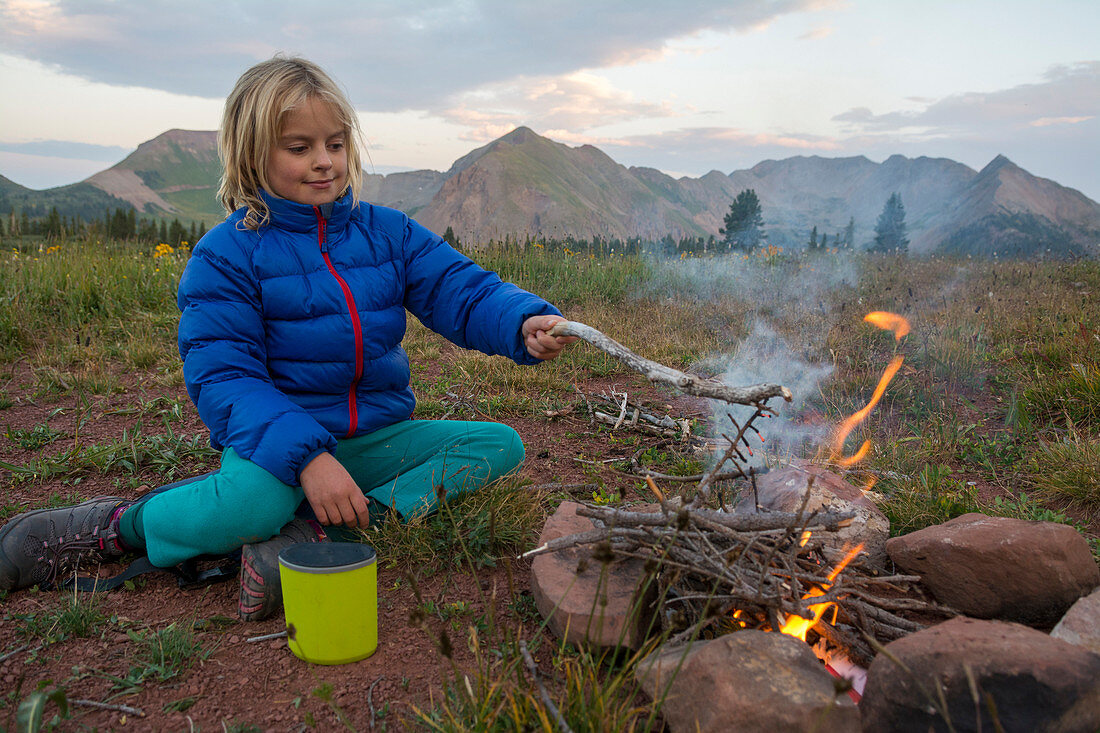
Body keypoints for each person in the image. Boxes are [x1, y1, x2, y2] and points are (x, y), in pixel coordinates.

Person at [0, 56, 573, 619]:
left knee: (498, 444)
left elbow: (461, 289)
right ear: (254, 154)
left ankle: (320, 530)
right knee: (248, 506)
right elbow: (225, 378)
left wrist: (520, 322)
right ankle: (112, 527)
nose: (325, 162)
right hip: (279, 450)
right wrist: (308, 458)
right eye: (299, 148)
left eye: (337, 144)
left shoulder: (389, 234)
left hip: (375, 438)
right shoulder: (226, 256)